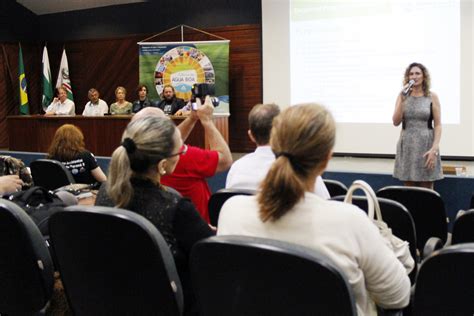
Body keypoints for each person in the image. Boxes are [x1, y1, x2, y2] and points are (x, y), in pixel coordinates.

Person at [218, 103, 410, 315]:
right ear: (327, 158)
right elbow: (398, 296)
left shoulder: (231, 211)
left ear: (274, 146)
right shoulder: (349, 222)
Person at [95, 116, 214, 314]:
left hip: (116, 299)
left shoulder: (105, 192)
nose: (182, 153)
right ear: (162, 165)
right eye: (181, 150)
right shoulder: (175, 207)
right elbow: (212, 259)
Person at [133, 97, 232, 223]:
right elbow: (225, 160)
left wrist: (191, 119)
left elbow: (168, 141)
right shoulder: (183, 156)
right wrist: (207, 121)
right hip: (196, 230)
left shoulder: (132, 155)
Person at [226, 103, 330, 198]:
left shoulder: (237, 169)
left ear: (251, 135)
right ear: (281, 131)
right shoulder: (305, 171)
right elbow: (325, 206)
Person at [392, 62, 443, 189]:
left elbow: (438, 125)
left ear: (424, 76)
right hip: (408, 144)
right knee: (409, 191)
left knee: (427, 190)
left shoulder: (432, 97)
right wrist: (402, 101)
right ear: (408, 77)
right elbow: (395, 121)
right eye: (411, 74)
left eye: (417, 73)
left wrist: (434, 149)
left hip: (426, 145)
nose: (414, 76)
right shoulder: (403, 95)